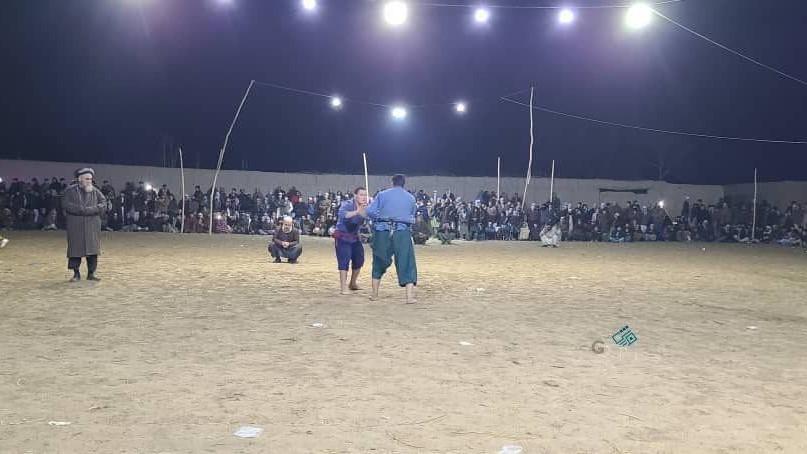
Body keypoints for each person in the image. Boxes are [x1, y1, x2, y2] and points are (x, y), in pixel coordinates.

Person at [366, 174, 418, 304]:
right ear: (404, 183)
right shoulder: (411, 198)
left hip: (383, 231)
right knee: (407, 262)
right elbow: (412, 215)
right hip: (402, 232)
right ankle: (409, 297)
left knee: (378, 260)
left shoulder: (382, 195)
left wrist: (378, 215)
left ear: (392, 182)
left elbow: (370, 212)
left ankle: (374, 294)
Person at [62, 168, 106, 282]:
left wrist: (92, 209)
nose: (89, 181)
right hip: (76, 226)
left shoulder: (95, 191)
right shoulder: (70, 191)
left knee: (92, 252)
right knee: (75, 251)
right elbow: (66, 205)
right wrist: (81, 210)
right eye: (87, 179)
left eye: (90, 179)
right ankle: (76, 274)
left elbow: (103, 203)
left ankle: (91, 274)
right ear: (79, 179)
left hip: (92, 227)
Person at [333, 187, 369, 295]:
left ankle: (352, 283)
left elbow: (364, 219)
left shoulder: (365, 206)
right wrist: (358, 211)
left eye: (365, 195)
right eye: (361, 194)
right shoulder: (347, 204)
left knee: (359, 259)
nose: (364, 197)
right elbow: (343, 215)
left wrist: (366, 210)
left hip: (354, 236)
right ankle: (343, 287)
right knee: (344, 260)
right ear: (355, 195)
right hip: (342, 236)